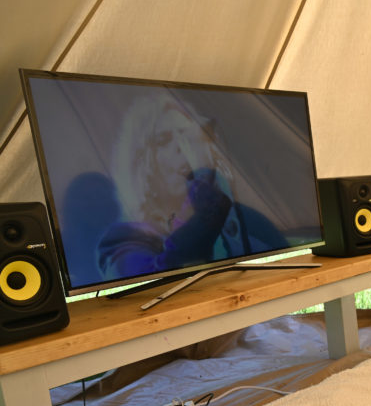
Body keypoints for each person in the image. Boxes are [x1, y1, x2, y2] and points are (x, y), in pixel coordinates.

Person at [97, 94, 288, 278]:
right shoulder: (124, 238)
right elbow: (161, 275)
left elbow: (286, 269)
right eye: (164, 140)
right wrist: (205, 183)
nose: (182, 147)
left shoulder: (243, 220)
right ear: (141, 163)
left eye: (186, 134)